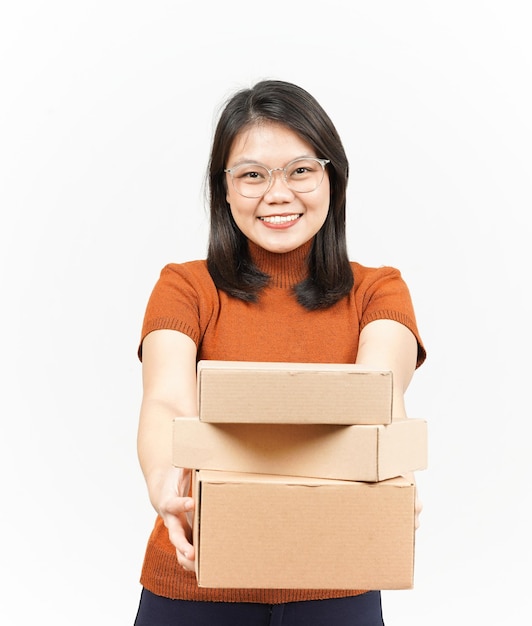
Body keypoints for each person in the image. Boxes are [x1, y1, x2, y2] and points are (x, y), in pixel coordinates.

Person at [134, 79, 426, 626]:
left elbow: (377, 397)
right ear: (223, 189)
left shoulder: (378, 290)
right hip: (196, 579)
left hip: (337, 578)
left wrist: (393, 474)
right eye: (251, 174)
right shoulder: (185, 287)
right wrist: (162, 486)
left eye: (300, 170)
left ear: (331, 178)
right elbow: (167, 401)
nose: (277, 193)